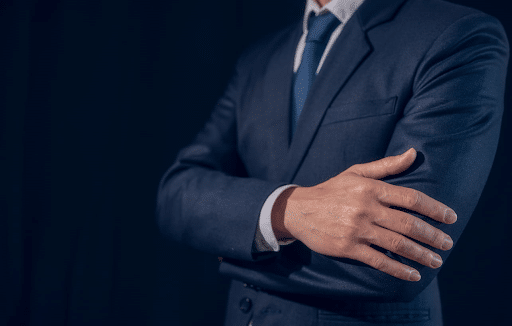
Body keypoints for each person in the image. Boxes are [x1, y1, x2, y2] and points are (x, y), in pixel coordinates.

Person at [156, 0, 509, 325]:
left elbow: (397, 264)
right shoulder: (257, 60)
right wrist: (285, 212)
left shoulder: (456, 35)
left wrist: (233, 236)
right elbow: (176, 195)